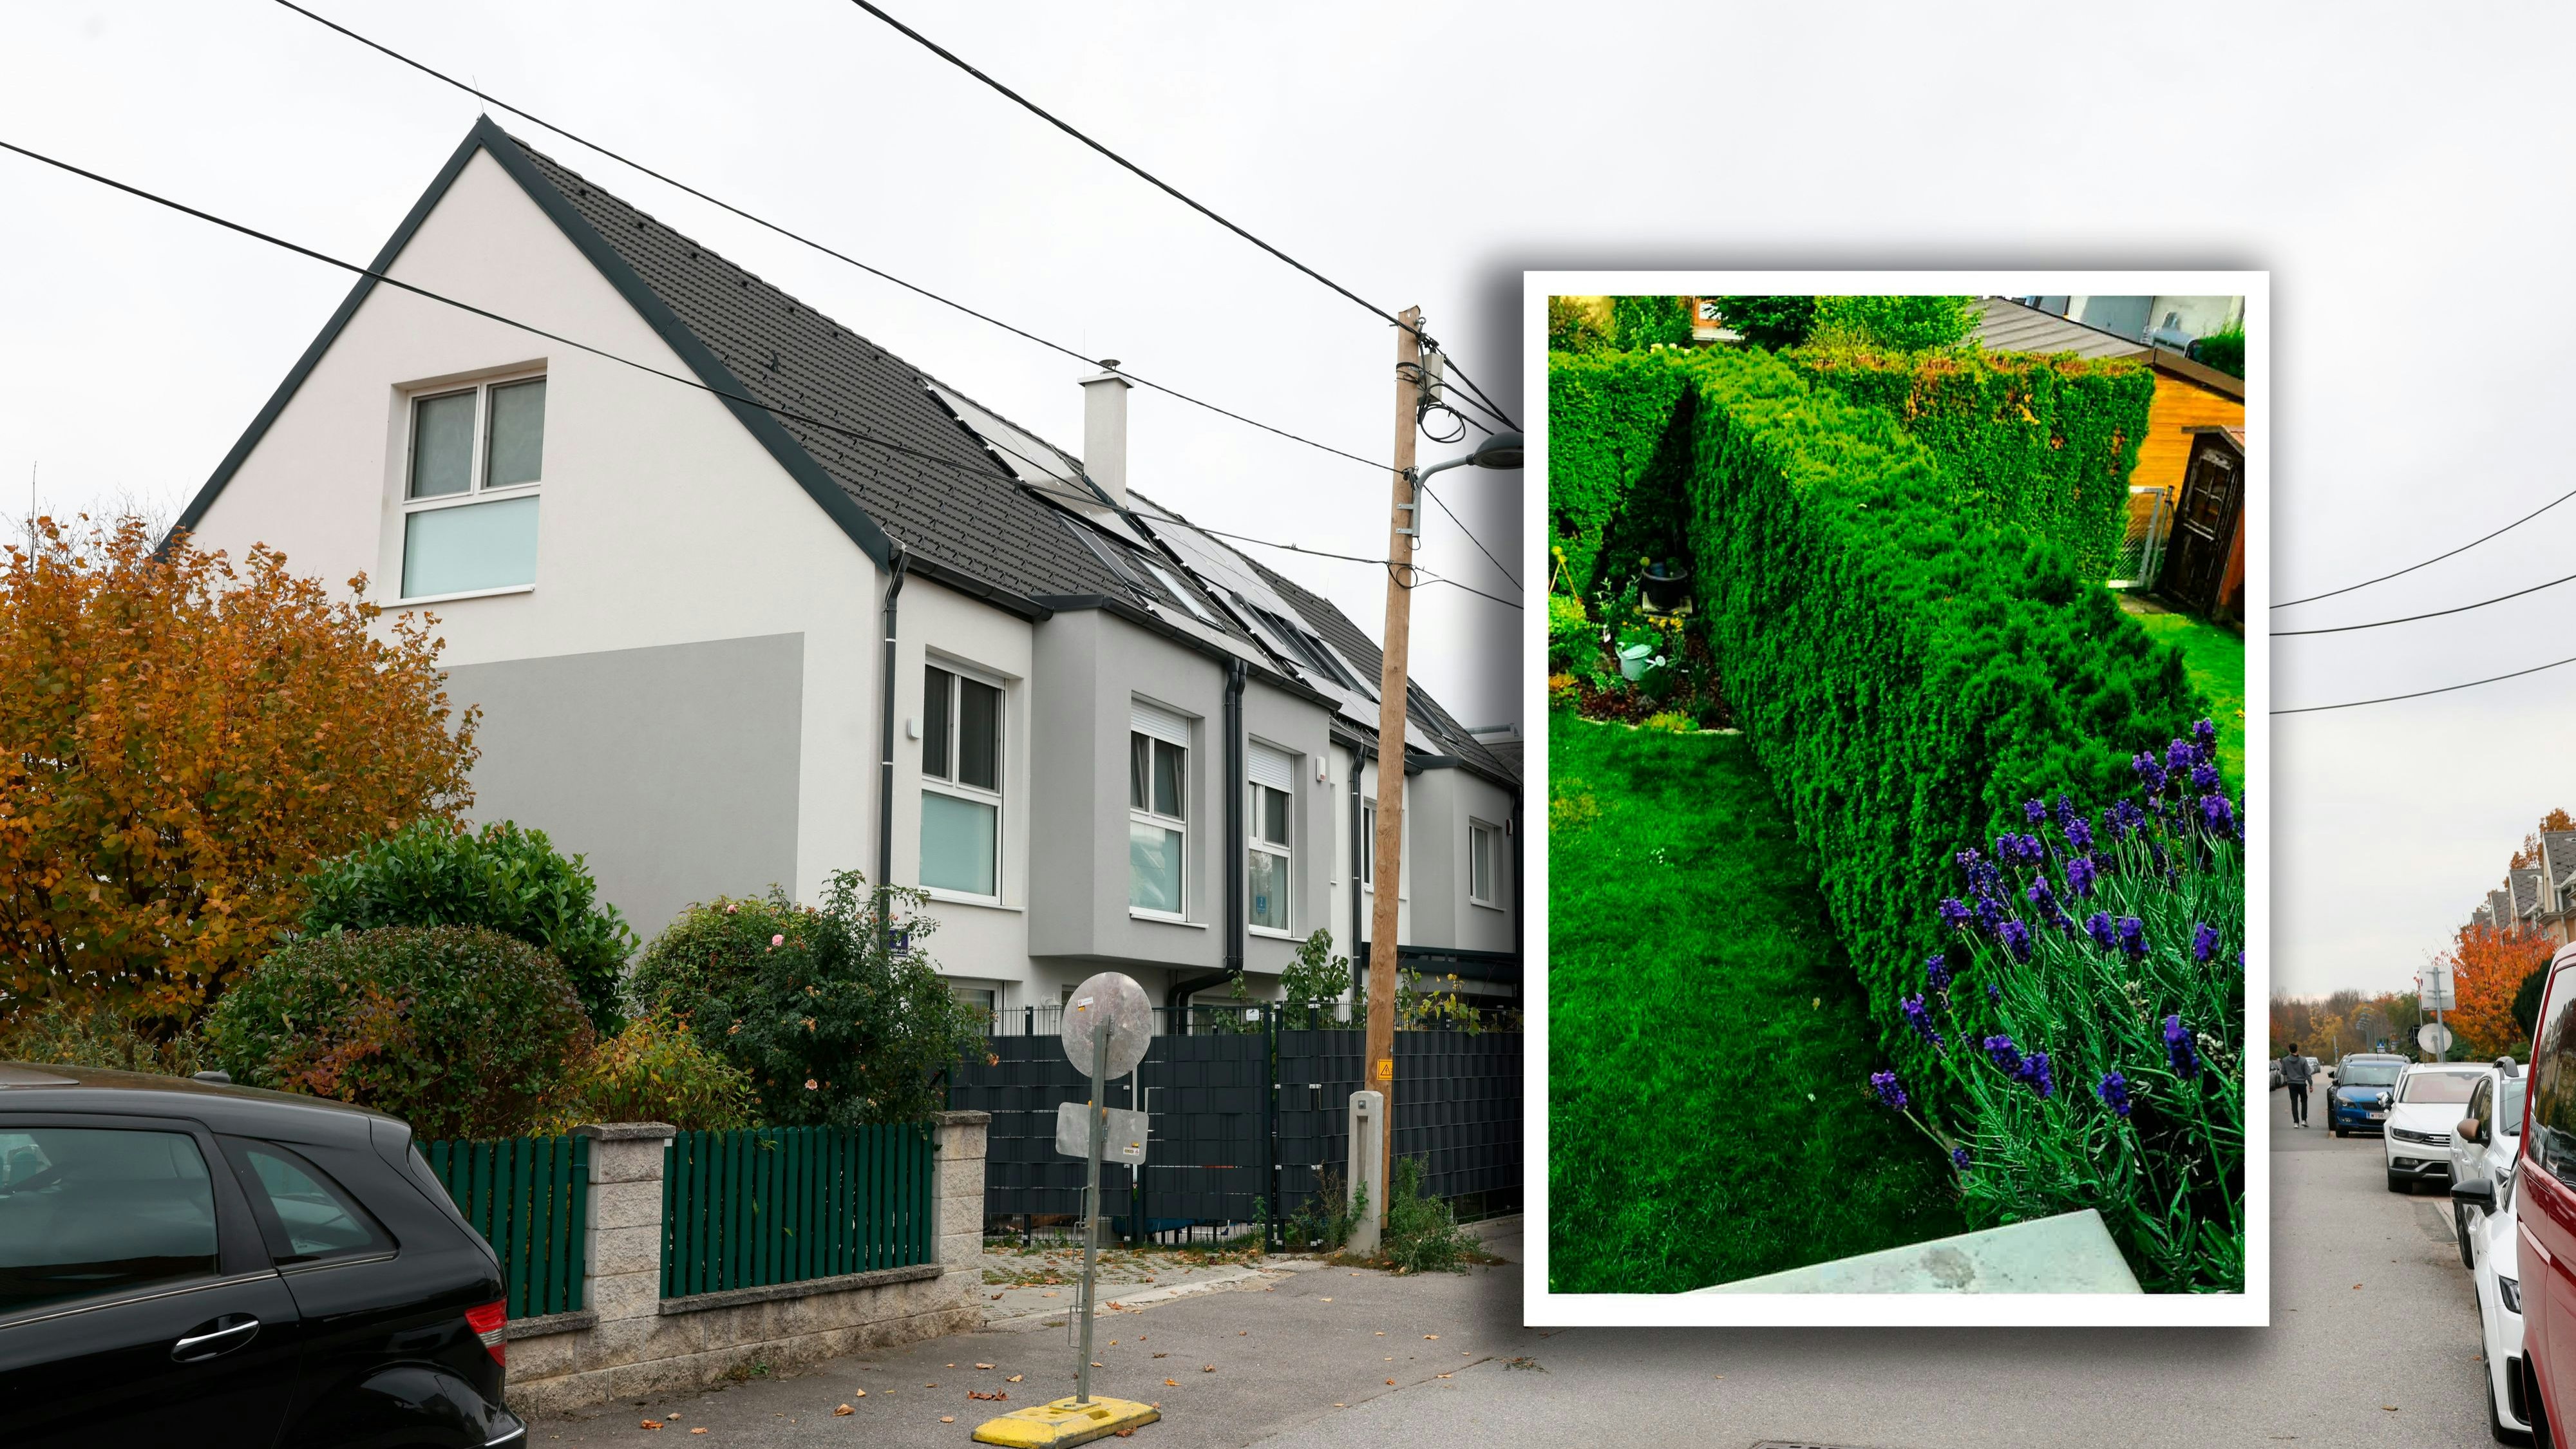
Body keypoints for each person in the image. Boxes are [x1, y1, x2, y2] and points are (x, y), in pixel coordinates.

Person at [2281, 1041, 2313, 1126]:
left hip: (2291, 1084)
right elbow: (2308, 1073)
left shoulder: (2285, 1060)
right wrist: (2310, 1084)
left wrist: (2290, 1072)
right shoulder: (2303, 1060)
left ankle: (2296, 1122)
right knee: (2304, 1101)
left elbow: (2283, 1072)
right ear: (2297, 1049)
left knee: (2294, 1102)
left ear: (2289, 1050)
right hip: (2302, 1084)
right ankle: (2304, 1120)